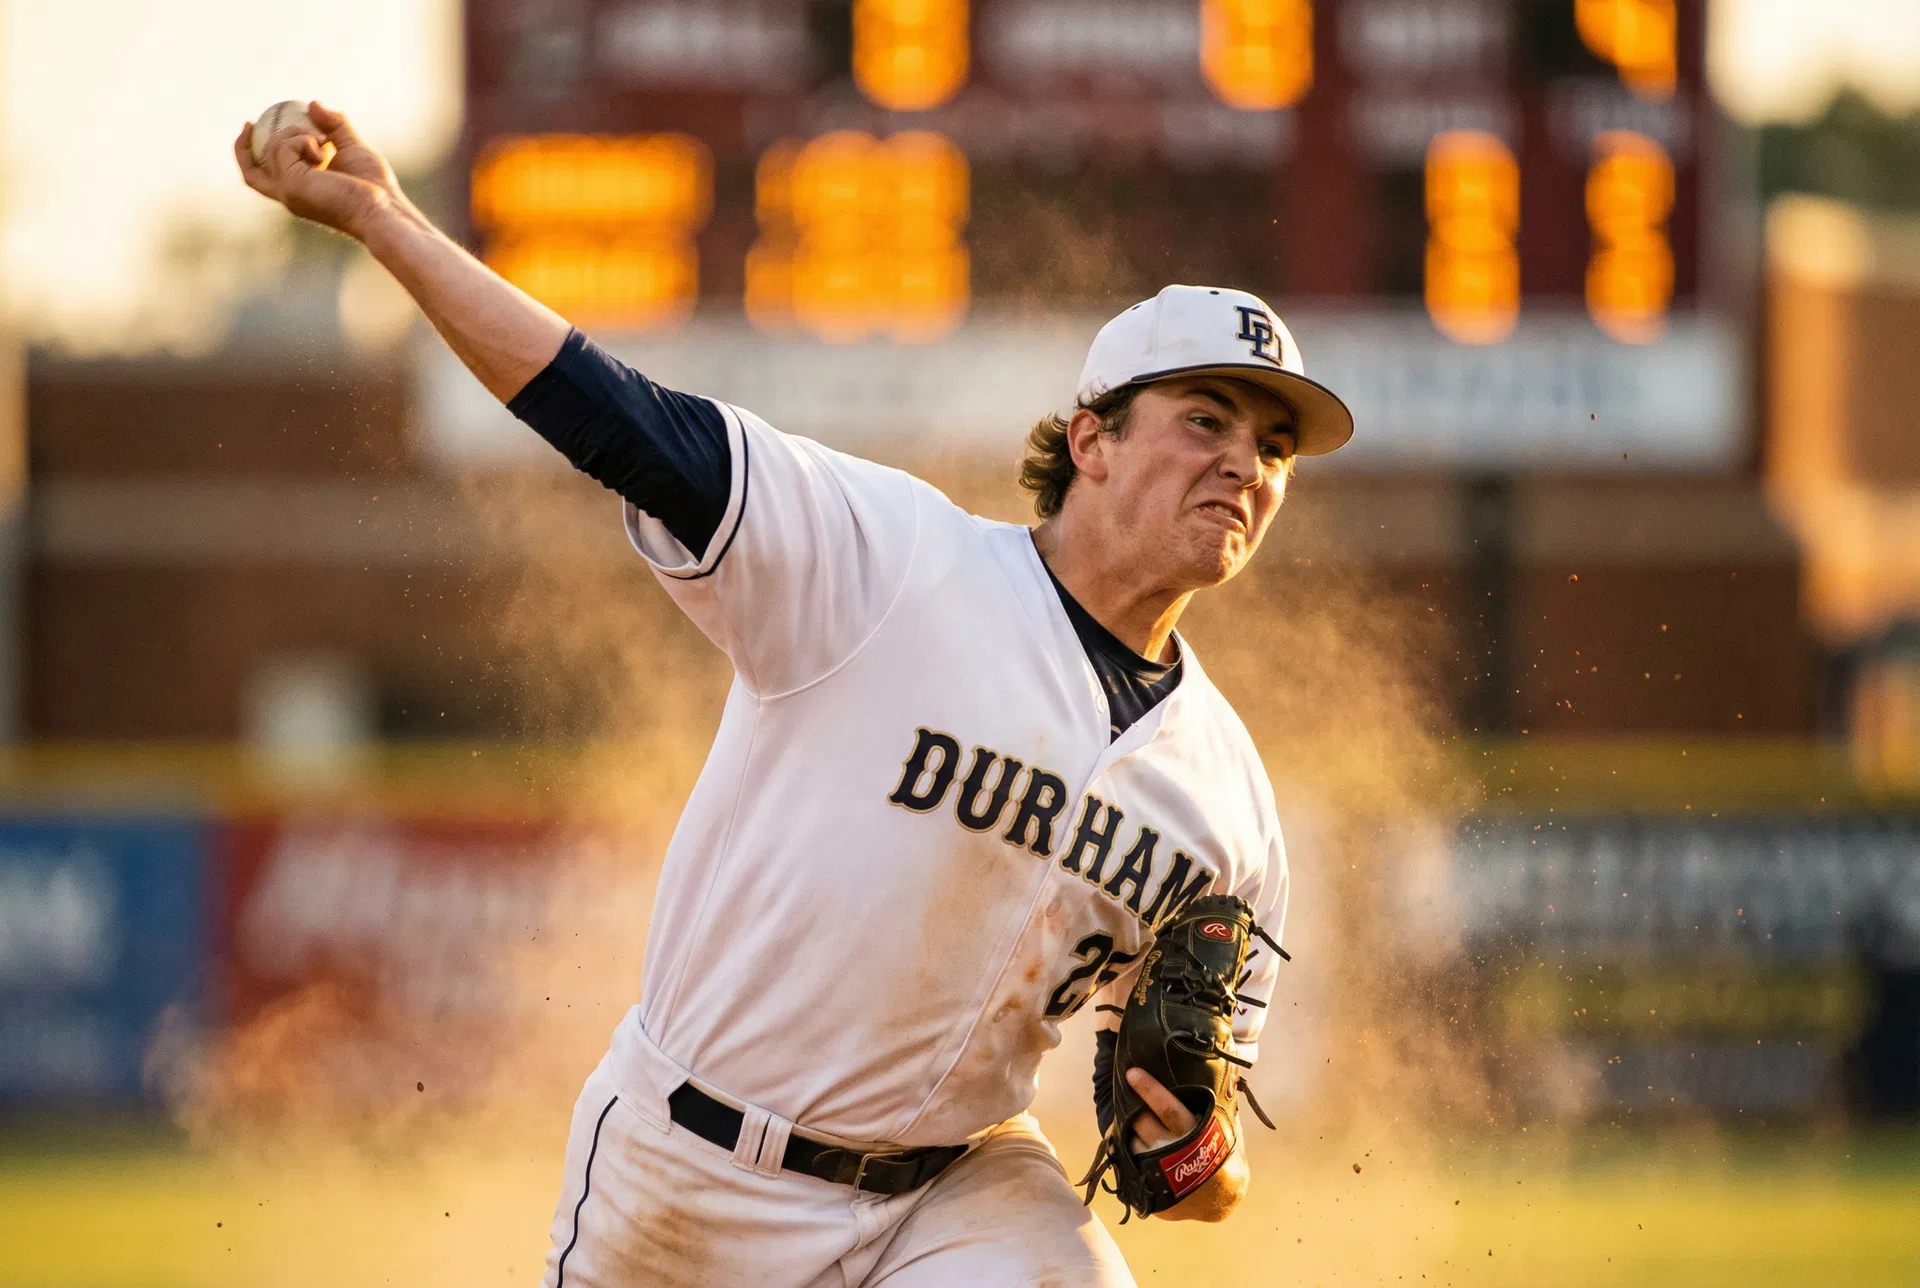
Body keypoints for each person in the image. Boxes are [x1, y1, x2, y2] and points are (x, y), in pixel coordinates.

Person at [236, 102, 1355, 1288]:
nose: (1247, 461)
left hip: (958, 1191)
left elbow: (1212, 1167)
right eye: (1206, 418)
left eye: (1275, 446)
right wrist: (383, 218)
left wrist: (1195, 1156)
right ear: (1092, 440)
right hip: (692, 1172)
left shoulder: (1226, 801)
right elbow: (606, 410)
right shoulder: (885, 558)